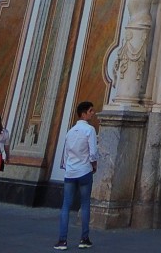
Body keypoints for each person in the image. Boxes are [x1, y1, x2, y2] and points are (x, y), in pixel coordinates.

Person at [54, 101, 97, 251]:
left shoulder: (70, 132)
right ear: (83, 113)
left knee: (66, 205)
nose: (93, 113)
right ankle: (84, 238)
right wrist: (94, 164)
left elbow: (65, 154)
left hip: (70, 172)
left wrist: (67, 168)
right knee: (85, 204)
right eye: (91, 111)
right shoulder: (90, 130)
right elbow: (93, 152)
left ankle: (62, 240)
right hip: (84, 171)